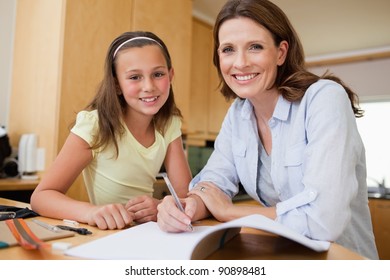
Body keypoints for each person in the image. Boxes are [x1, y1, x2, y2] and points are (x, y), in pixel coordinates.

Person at [157, 0, 378, 259]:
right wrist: (187, 206)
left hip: (344, 262)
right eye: (228, 49)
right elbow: (214, 181)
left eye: (255, 47)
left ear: (281, 52)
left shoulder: (324, 99)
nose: (239, 63)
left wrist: (229, 212)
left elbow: (324, 221)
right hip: (286, 258)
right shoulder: (238, 115)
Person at [31, 31, 192, 230]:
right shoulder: (94, 125)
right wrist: (91, 212)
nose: (149, 86)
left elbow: (184, 196)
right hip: (107, 234)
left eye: (158, 74)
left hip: (145, 233)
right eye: (135, 77)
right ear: (117, 84)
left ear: (171, 75)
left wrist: (161, 207)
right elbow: (41, 197)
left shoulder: (169, 124)